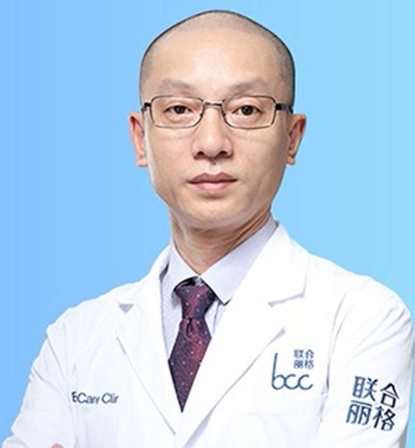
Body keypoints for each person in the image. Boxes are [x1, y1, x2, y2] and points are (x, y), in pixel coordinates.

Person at [4, 10, 414, 448]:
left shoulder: (364, 318)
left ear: (292, 138)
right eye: (180, 109)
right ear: (140, 138)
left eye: (246, 110)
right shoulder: (75, 338)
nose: (212, 143)